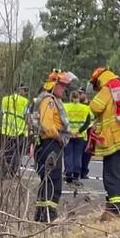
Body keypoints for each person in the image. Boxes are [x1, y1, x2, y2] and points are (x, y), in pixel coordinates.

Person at [89, 67, 120, 221]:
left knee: (110, 173)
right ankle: (114, 206)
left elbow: (95, 106)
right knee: (115, 171)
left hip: (114, 137)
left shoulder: (107, 89)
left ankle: (115, 209)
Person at [32, 71, 73, 222]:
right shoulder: (49, 100)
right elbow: (48, 125)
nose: (65, 90)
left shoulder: (50, 99)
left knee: (47, 178)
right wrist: (59, 137)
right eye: (62, 86)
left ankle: (42, 214)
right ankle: (49, 214)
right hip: (50, 144)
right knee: (53, 178)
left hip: (48, 143)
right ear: (54, 85)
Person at [0, 84, 30, 178]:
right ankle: (12, 172)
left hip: (6, 129)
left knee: (5, 151)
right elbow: (27, 116)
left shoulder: (5, 99)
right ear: (19, 90)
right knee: (16, 153)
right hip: (19, 131)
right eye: (24, 90)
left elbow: (1, 112)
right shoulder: (25, 101)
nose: (25, 93)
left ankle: (4, 172)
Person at [63, 90, 92, 183]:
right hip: (80, 135)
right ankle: (76, 174)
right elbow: (88, 122)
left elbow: (63, 120)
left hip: (68, 134)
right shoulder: (85, 108)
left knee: (68, 154)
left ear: (70, 98)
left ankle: (68, 173)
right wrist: (79, 131)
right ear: (79, 98)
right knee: (78, 155)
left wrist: (69, 131)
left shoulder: (65, 107)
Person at [78, 87, 93, 179]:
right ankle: (77, 170)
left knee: (87, 152)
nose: (79, 96)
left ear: (85, 94)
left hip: (90, 130)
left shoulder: (91, 105)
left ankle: (84, 171)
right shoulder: (76, 104)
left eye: (81, 93)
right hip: (79, 130)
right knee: (78, 152)